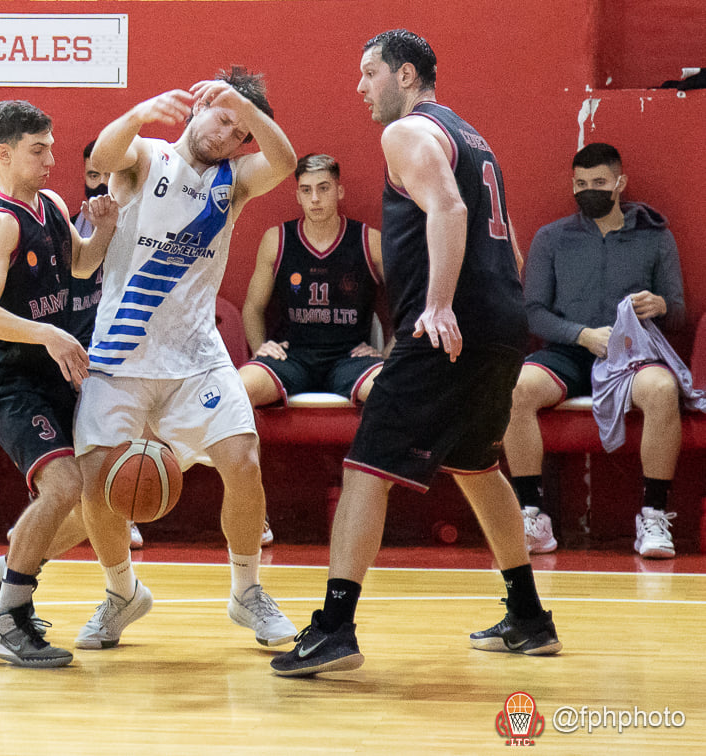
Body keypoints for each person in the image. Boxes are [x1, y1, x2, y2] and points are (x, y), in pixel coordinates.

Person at [271, 30, 561, 677]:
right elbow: (506, 245)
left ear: (406, 75)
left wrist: (436, 305)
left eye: (369, 71)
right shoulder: (471, 136)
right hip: (500, 326)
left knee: (365, 470)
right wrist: (495, 315)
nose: (360, 86)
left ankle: (334, 628)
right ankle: (529, 616)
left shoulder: (405, 132)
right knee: (479, 468)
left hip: (449, 330)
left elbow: (451, 210)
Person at [72, 66, 299, 651]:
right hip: (121, 352)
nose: (225, 135)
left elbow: (286, 162)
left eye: (237, 129)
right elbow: (103, 152)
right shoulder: (146, 156)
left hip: (196, 355)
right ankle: (122, 592)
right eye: (221, 118)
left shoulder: (236, 180)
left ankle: (247, 591)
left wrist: (249, 113)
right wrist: (140, 112)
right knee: (96, 486)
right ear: (197, 108)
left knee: (243, 460)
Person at [0, 100, 117, 667]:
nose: (53, 158)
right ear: (4, 154)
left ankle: (12, 580)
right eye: (39, 149)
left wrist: (101, 231)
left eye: (52, 145)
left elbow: (79, 265)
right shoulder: (0, 223)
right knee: (63, 487)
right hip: (11, 381)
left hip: (49, 376)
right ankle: (6, 617)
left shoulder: (51, 204)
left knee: (86, 490)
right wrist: (48, 334)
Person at [504, 143, 686, 558]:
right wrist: (582, 335)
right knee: (515, 388)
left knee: (662, 390)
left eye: (599, 183)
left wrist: (659, 305)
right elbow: (532, 312)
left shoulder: (655, 237)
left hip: (631, 355)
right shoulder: (551, 238)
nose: (589, 190)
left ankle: (654, 516)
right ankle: (532, 513)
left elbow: (678, 314)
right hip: (568, 352)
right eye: (581, 183)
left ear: (619, 183)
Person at [240, 153, 386, 546]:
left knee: (390, 392)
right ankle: (254, 511)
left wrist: (388, 350)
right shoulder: (278, 238)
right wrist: (260, 346)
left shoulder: (368, 240)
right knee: (238, 390)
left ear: (339, 190)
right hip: (294, 355)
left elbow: (412, 303)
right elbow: (253, 308)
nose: (316, 198)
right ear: (298, 195)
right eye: (306, 190)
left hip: (348, 357)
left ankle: (366, 511)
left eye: (323, 189)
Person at [69, 139, 144, 551]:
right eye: (92, 176)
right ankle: (52, 509)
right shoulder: (66, 224)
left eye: (107, 177)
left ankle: (125, 509)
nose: (99, 186)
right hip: (75, 342)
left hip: (124, 343)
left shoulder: (141, 223)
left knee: (121, 401)